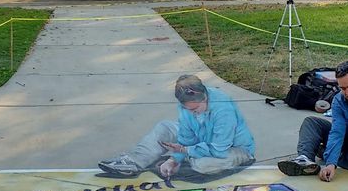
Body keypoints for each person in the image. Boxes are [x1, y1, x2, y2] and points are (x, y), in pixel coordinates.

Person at [98, 74, 255, 180]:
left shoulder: (223, 109)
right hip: (201, 142)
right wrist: (174, 160)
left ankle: (191, 162)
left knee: (203, 165)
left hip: (233, 148)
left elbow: (218, 148)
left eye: (195, 109)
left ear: (205, 97)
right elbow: (186, 138)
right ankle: (135, 161)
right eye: (188, 109)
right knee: (165, 127)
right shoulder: (186, 107)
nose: (192, 113)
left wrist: (183, 152)